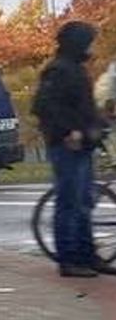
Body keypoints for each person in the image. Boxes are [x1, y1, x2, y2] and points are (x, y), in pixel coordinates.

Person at [32, 21, 108, 277]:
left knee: (84, 202)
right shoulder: (59, 71)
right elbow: (44, 106)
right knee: (70, 202)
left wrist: (98, 124)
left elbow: (84, 107)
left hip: (83, 144)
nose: (92, 47)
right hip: (67, 146)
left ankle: (87, 254)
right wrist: (68, 131)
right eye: (88, 42)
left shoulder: (75, 69)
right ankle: (69, 258)